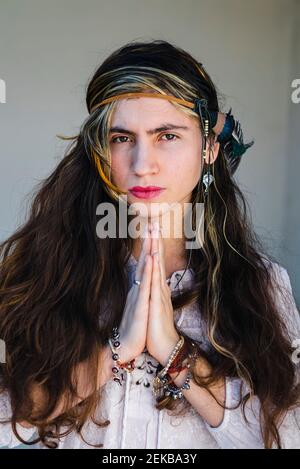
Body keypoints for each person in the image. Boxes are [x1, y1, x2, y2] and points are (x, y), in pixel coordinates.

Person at [0, 39, 299, 450]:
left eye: (168, 135)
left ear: (209, 148)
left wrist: (175, 352)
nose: (142, 163)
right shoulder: (43, 271)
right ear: (100, 151)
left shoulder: (263, 284)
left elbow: (286, 439)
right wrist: (114, 352)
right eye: (122, 138)